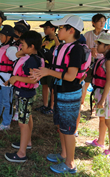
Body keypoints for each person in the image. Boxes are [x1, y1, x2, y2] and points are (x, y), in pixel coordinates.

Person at [30, 15, 91, 174]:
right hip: (60, 91)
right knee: (61, 126)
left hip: (70, 93)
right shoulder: (64, 46)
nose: (58, 31)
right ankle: (64, 153)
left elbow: (71, 76)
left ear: (71, 30)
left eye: (61, 28)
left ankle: (70, 164)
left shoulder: (76, 49)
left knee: (68, 129)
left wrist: (47, 72)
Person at [4, 31, 44, 163]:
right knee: (27, 117)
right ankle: (28, 142)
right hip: (25, 94)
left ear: (31, 46)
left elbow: (34, 80)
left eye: (22, 44)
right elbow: (18, 55)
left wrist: (15, 78)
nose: (20, 47)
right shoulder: (32, 56)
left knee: (23, 123)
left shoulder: (32, 61)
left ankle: (21, 153)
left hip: (25, 94)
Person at [85, 33, 110, 160]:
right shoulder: (104, 59)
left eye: (99, 44)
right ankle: (101, 141)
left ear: (107, 47)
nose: (97, 46)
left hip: (107, 95)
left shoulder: (109, 62)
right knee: (102, 119)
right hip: (101, 93)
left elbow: (109, 81)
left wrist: (102, 99)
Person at [82, 14, 108, 107]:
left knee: (100, 83)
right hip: (90, 62)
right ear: (93, 23)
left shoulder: (107, 34)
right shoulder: (87, 34)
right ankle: (81, 102)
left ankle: (97, 103)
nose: (102, 23)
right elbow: (82, 48)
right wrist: (90, 50)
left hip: (102, 63)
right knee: (86, 81)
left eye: (104, 21)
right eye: (100, 21)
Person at [35, 21, 59, 115]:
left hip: (53, 67)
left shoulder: (59, 38)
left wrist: (55, 38)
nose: (44, 30)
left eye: (46, 28)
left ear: (53, 29)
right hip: (43, 66)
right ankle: (45, 105)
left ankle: (51, 107)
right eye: (43, 28)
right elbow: (37, 49)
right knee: (44, 85)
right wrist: (42, 45)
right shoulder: (44, 38)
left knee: (52, 87)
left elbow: (60, 49)